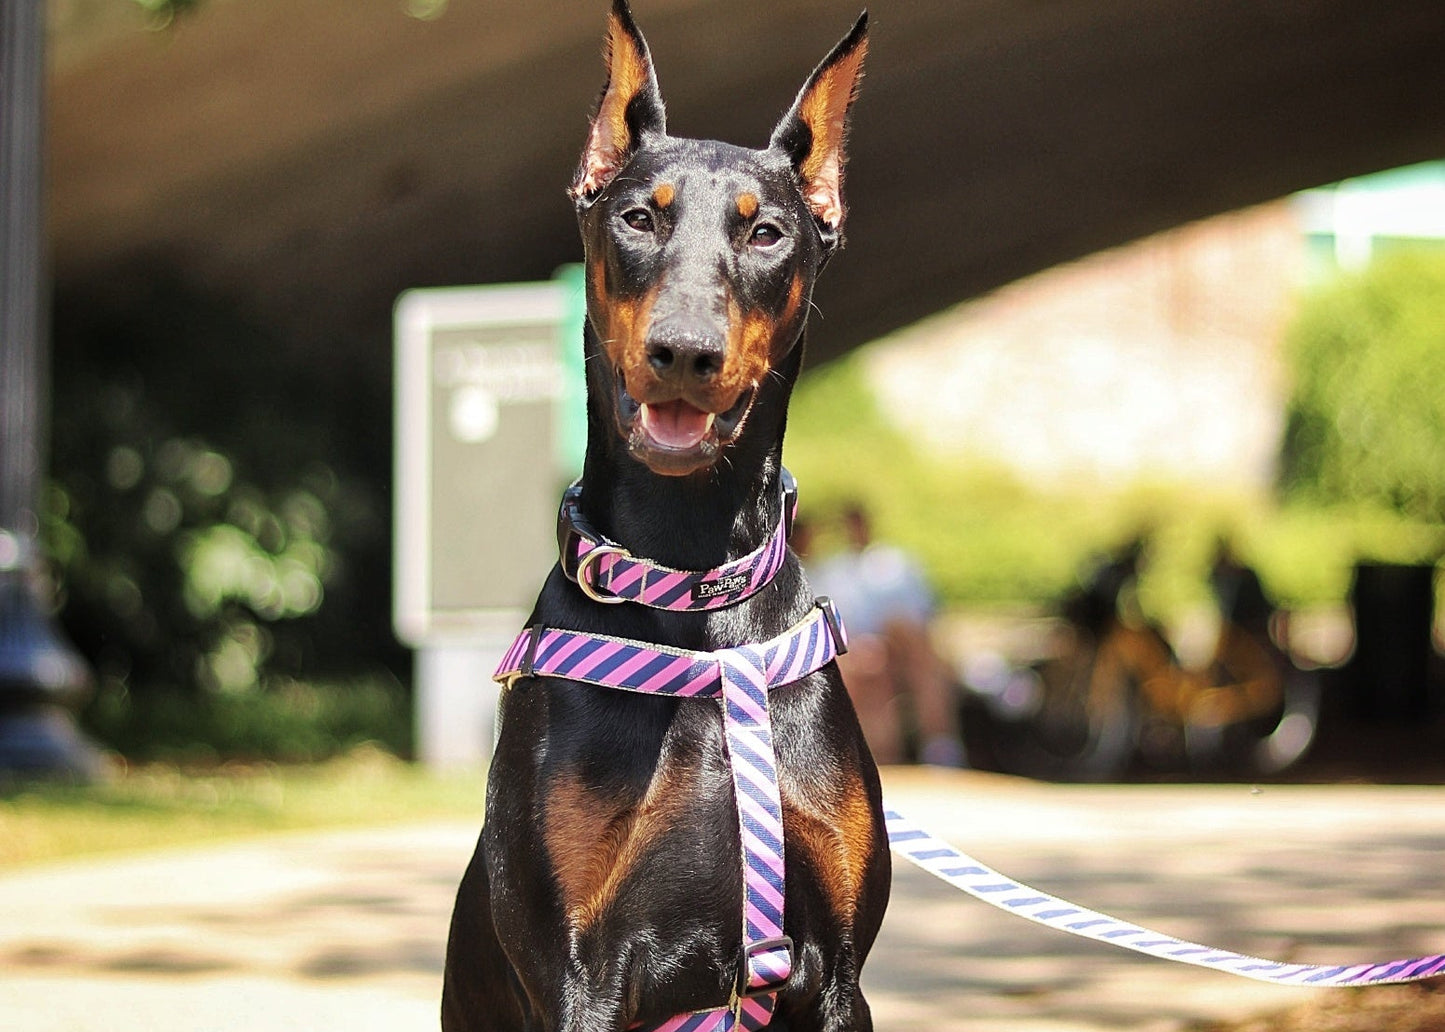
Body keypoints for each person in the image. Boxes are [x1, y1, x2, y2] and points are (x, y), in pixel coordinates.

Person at [805, 503, 965, 766]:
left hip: (900, 644)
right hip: (858, 649)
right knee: (863, 669)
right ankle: (883, 756)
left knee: (912, 646)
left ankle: (939, 744)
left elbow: (920, 616)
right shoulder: (833, 570)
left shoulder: (896, 562)